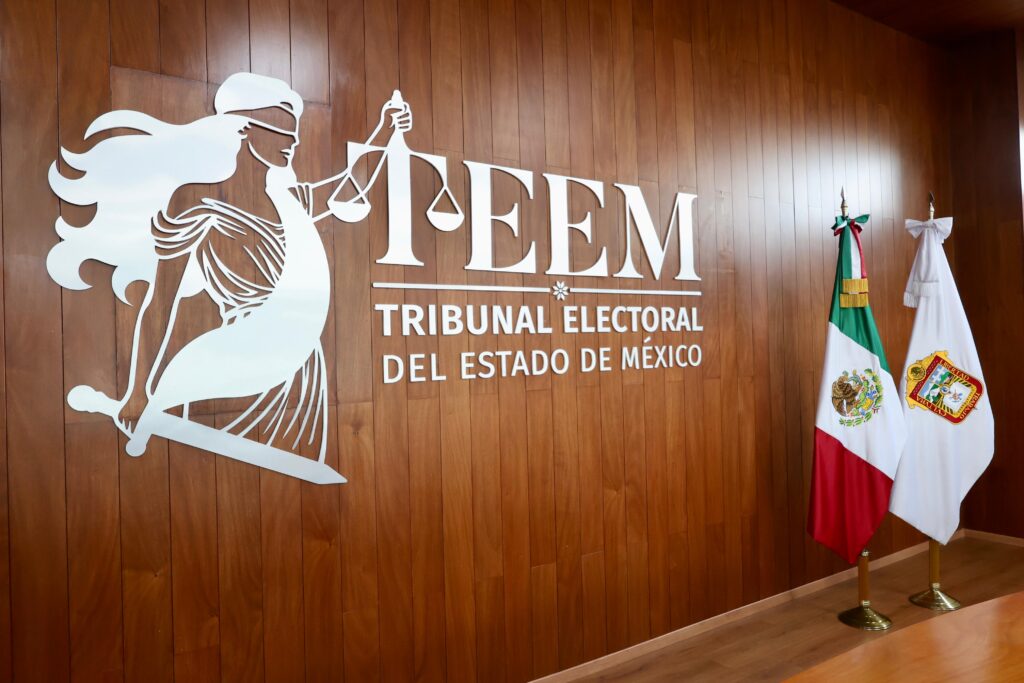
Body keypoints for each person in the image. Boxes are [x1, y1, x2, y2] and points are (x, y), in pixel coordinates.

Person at [48, 72, 411, 463]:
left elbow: (349, 186)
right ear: (244, 130)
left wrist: (385, 130)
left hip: (302, 358)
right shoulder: (198, 202)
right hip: (243, 353)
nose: (293, 142)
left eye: (294, 134)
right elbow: (161, 302)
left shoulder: (291, 203)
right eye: (282, 132)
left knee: (296, 473)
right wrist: (137, 392)